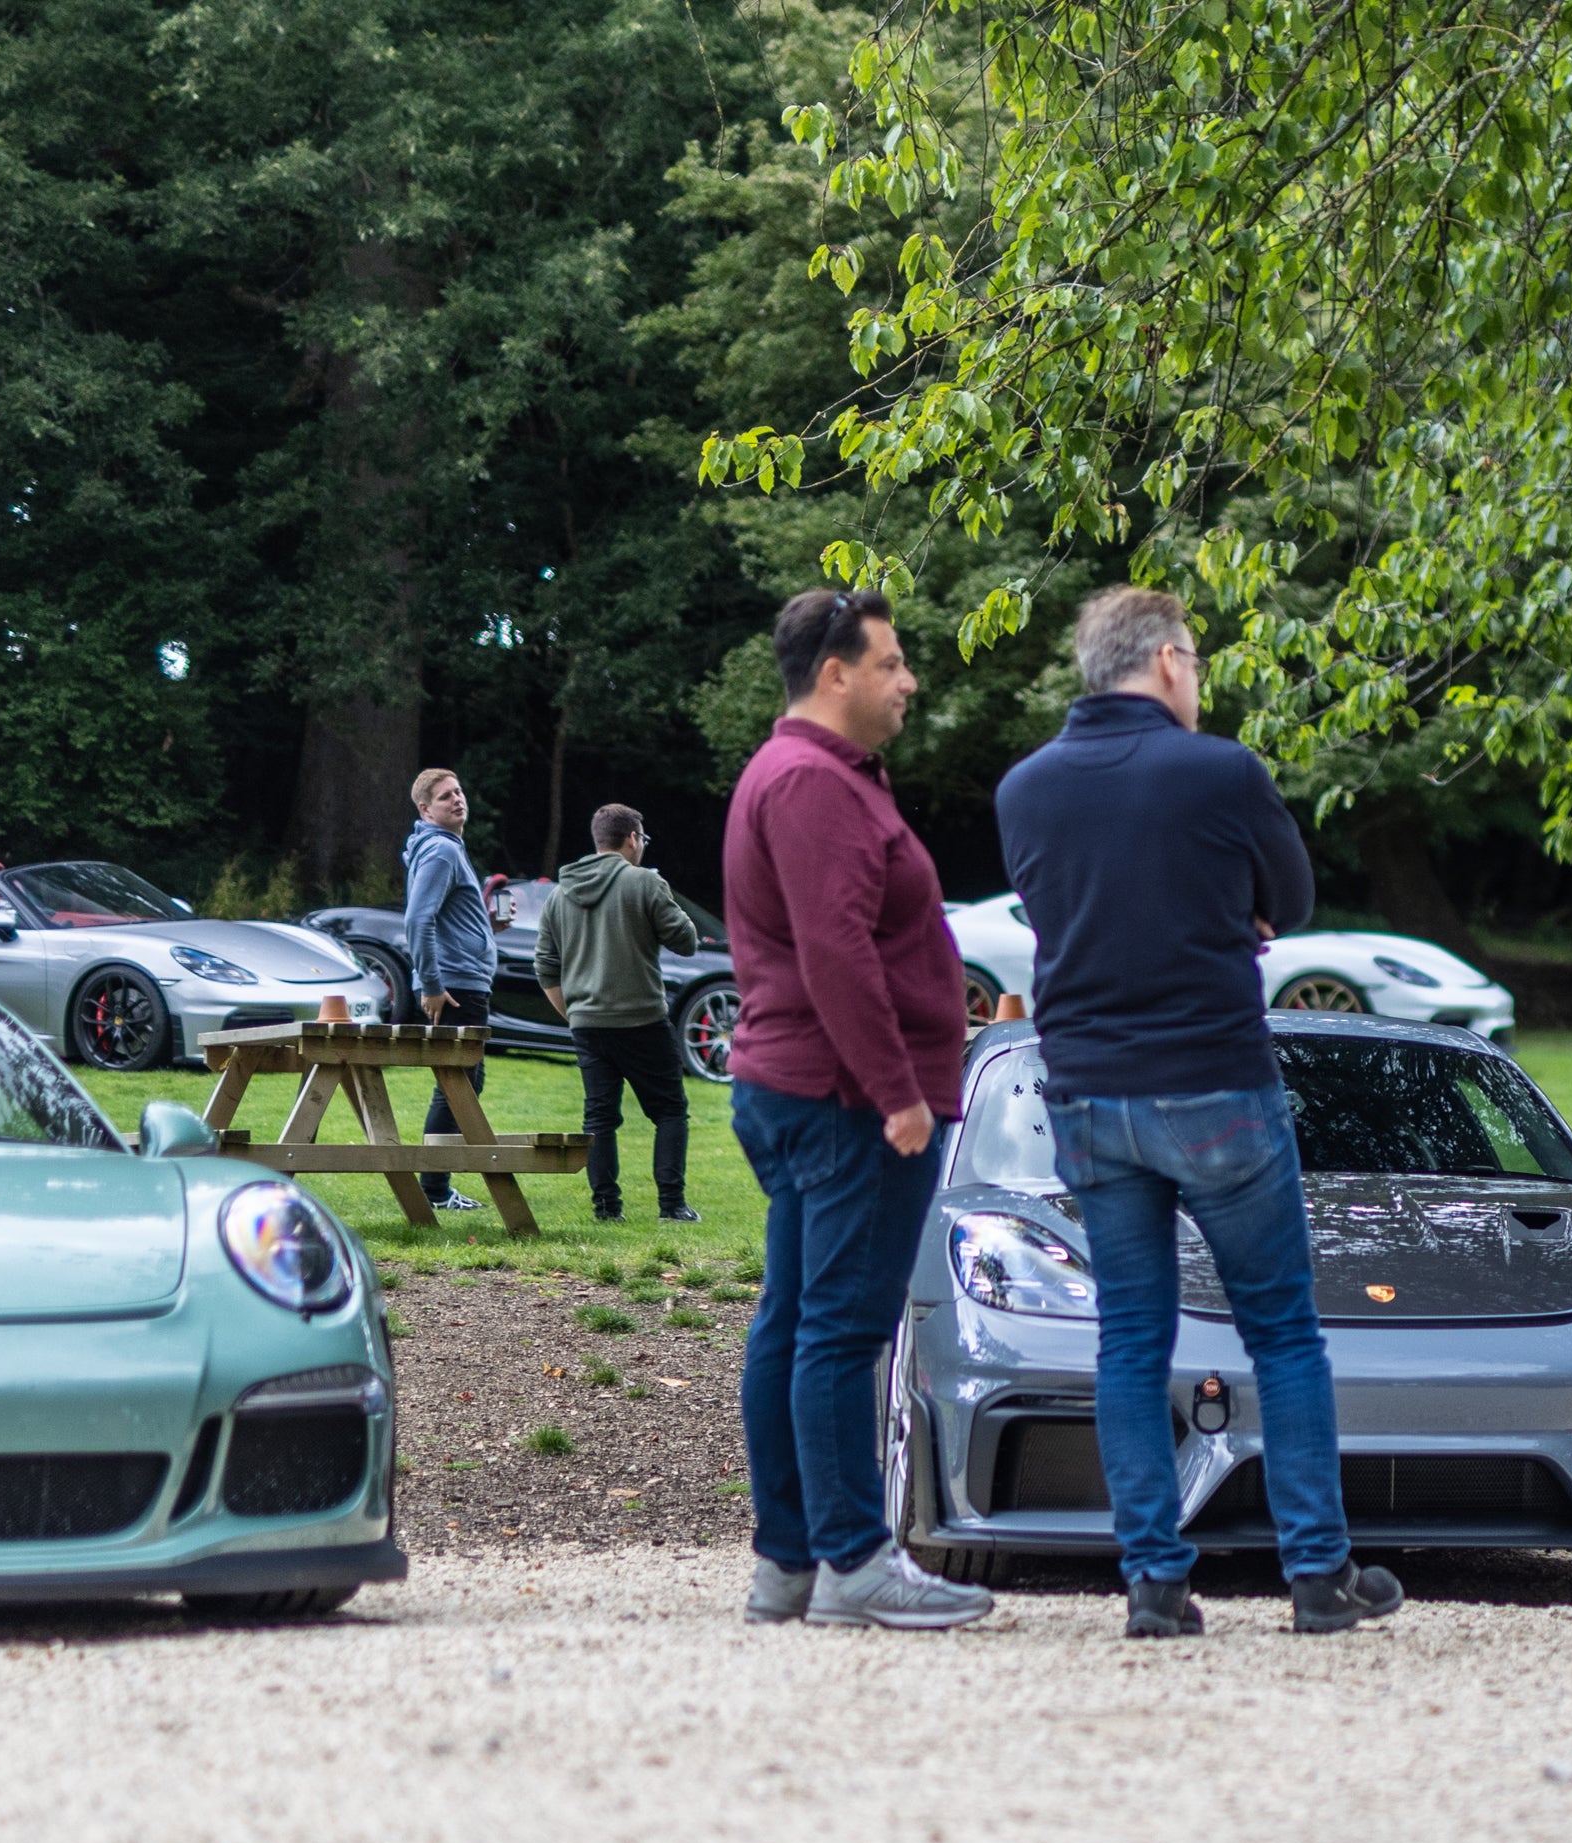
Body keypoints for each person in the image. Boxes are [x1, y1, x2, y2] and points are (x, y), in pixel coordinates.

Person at [993, 585, 1402, 1638]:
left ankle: (1153, 1583)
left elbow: (1073, 912)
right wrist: (1228, 911)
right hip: (1213, 1079)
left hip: (1086, 1087)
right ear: (1169, 660)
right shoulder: (1219, 769)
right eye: (1199, 663)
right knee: (1280, 1328)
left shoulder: (1024, 789)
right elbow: (1294, 902)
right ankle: (1316, 1572)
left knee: (1130, 1337)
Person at [722, 587, 989, 1631]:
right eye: (889, 663)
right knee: (837, 1329)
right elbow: (836, 949)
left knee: (794, 1321)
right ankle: (851, 1560)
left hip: (807, 1088)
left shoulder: (807, 774)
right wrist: (897, 1094)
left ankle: (787, 1562)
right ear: (834, 674)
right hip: (842, 1100)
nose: (907, 679)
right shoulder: (811, 784)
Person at [534, 803, 703, 1222]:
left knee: (600, 1116)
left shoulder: (559, 893)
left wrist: (574, 1014)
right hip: (642, 1019)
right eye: (642, 838)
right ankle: (672, 1206)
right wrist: (661, 890)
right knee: (669, 1110)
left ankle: (607, 1208)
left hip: (589, 1025)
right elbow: (687, 941)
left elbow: (545, 966)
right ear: (632, 839)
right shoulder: (644, 883)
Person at [398, 769, 493, 1212]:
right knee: (457, 1084)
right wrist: (432, 984)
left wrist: (487, 929)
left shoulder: (444, 847)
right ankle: (434, 1189)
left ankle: (436, 1185)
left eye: (458, 791)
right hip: (454, 986)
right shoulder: (440, 850)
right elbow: (418, 920)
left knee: (463, 1082)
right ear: (425, 809)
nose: (457, 800)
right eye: (444, 796)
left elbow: (445, 918)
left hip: (459, 980)